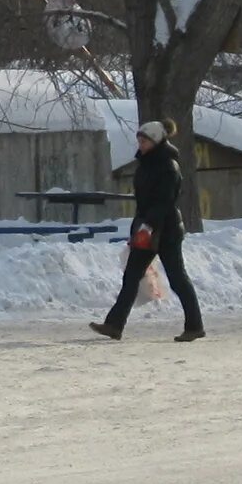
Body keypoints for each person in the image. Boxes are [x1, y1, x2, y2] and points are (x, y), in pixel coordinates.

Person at [93, 120, 206, 342]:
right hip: (147, 228)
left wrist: (147, 227)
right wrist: (138, 230)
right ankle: (114, 325)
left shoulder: (168, 166)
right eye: (139, 140)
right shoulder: (146, 163)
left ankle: (195, 326)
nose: (140, 144)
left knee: (177, 278)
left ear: (155, 141)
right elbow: (143, 203)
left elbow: (164, 202)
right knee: (132, 276)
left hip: (167, 230)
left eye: (144, 141)